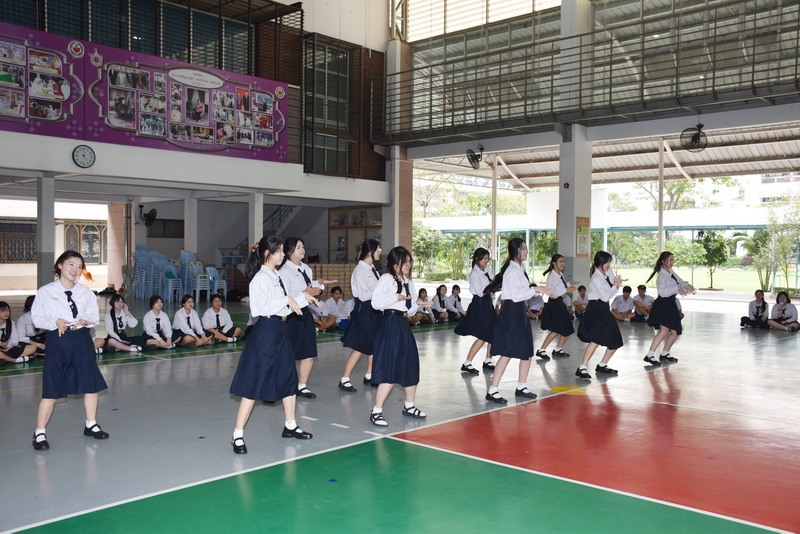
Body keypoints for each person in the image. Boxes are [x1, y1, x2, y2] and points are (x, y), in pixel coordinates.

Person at [229, 237, 317, 454]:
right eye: (278, 251)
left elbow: (285, 307)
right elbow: (259, 309)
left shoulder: (277, 275)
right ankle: (237, 435)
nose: (282, 255)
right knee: (253, 383)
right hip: (265, 333)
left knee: (289, 378)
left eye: (282, 251)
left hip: (280, 330)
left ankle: (290, 425)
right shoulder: (260, 278)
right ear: (267, 254)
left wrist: (304, 298)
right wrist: (286, 299)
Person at [30, 251, 109, 451]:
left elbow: (94, 316)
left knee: (91, 385)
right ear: (60, 265)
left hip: (81, 339)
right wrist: (54, 321)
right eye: (71, 264)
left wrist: (85, 320)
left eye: (80, 266)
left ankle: (91, 424)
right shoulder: (46, 292)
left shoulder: (86, 292)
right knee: (52, 388)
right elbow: (37, 319)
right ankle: (39, 433)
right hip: (58, 340)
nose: (75, 270)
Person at [483, 238, 553, 404]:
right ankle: (492, 390)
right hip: (511, 313)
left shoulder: (518, 269)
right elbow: (515, 296)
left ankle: (521, 386)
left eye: (526, 248)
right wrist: (535, 289)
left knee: (526, 350)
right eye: (523, 249)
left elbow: (522, 293)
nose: (526, 251)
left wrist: (536, 290)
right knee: (508, 352)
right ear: (516, 251)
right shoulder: (512, 271)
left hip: (519, 311)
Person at [369, 246, 431, 426]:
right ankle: (376, 411)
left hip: (403, 324)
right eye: (406, 261)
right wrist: (395, 298)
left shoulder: (408, 282)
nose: (409, 265)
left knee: (411, 364)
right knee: (390, 366)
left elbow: (408, 310)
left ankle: (409, 406)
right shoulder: (387, 279)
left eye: (410, 261)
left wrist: (418, 304)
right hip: (390, 324)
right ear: (396, 262)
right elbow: (375, 303)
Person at [279, 237, 335, 399]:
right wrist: (305, 293)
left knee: (309, 352)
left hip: (305, 313)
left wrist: (319, 285)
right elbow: (285, 296)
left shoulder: (307, 269)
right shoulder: (284, 272)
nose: (302, 250)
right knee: (287, 353)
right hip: (290, 315)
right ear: (289, 252)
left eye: (303, 247)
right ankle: (281, 385)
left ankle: (302, 386)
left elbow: (309, 287)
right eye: (298, 247)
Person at [339, 239, 382, 392]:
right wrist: (380, 291)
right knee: (360, 346)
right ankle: (344, 379)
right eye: (378, 249)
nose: (380, 252)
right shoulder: (360, 270)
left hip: (374, 310)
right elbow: (363, 296)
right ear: (370, 251)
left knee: (374, 343)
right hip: (364, 310)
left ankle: (369, 375)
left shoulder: (372, 268)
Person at [575, 251, 624, 379]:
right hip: (596, 309)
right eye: (606, 262)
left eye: (609, 262)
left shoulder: (608, 272)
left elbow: (611, 293)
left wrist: (616, 285)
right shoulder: (596, 278)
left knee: (616, 339)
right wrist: (615, 285)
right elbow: (605, 296)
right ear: (600, 262)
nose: (608, 265)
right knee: (596, 339)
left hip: (604, 308)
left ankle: (602, 365)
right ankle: (582, 367)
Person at [644, 251, 695, 365]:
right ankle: (650, 355)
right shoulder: (661, 276)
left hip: (671, 304)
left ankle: (665, 353)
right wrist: (676, 289)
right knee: (664, 331)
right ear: (663, 261)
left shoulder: (670, 272)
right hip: (663, 305)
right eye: (670, 260)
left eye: (673, 260)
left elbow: (680, 282)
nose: (672, 262)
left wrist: (687, 286)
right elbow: (662, 293)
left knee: (675, 331)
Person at [454, 248, 497, 375]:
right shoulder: (474, 274)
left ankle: (488, 359)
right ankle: (467, 362)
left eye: (487, 258)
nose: (486, 261)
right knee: (484, 334)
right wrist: (492, 287)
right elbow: (480, 291)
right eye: (484, 258)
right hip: (480, 303)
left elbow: (493, 282)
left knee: (493, 331)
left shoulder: (487, 270)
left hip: (487, 302)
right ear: (477, 259)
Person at [536, 254, 577, 360]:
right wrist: (566, 289)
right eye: (560, 261)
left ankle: (558, 349)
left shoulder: (559, 274)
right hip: (554, 304)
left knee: (567, 328)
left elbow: (560, 287)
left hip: (560, 303)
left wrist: (568, 284)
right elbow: (552, 293)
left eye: (564, 261)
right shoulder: (552, 277)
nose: (563, 263)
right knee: (557, 329)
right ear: (554, 263)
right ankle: (541, 350)